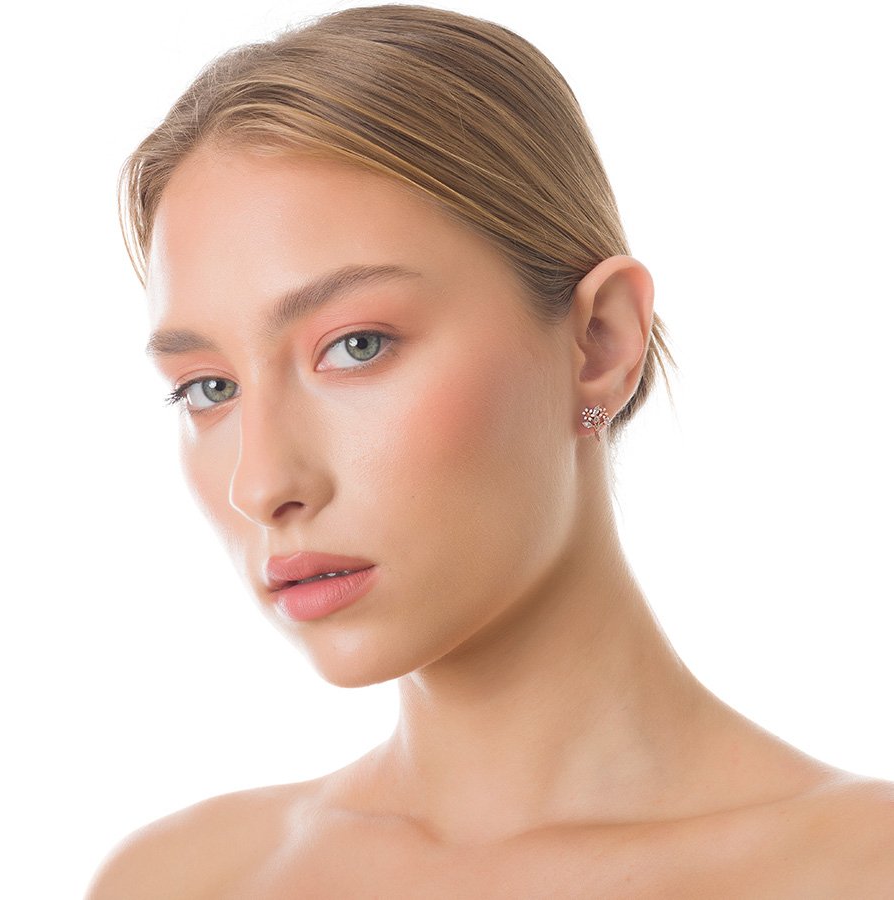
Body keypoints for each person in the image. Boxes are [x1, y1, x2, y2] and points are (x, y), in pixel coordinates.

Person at [88, 4, 893, 896]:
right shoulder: (176, 880)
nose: (263, 482)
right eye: (209, 388)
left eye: (356, 345)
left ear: (601, 342)